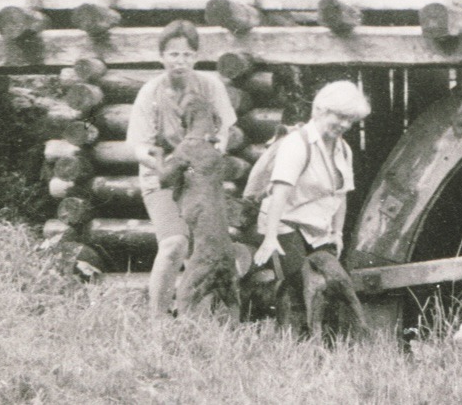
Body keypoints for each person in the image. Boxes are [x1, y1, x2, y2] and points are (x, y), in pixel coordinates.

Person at [125, 19, 238, 316]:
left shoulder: (210, 86)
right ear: (161, 56)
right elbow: (140, 147)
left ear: (196, 57)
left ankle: (199, 317)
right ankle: (158, 320)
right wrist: (169, 165)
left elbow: (224, 130)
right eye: (174, 54)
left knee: (207, 246)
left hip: (200, 179)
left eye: (187, 55)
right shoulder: (150, 94)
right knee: (175, 243)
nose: (180, 61)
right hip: (163, 178)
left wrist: (209, 153)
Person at [253, 79, 372, 326]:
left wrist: (337, 232)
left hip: (317, 230)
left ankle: (326, 348)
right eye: (339, 116)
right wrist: (271, 236)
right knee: (295, 289)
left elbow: (341, 194)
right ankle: (293, 349)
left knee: (329, 288)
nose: (345, 125)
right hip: (286, 223)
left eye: (350, 119)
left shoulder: (343, 149)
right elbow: (280, 192)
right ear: (319, 110)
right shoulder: (297, 144)